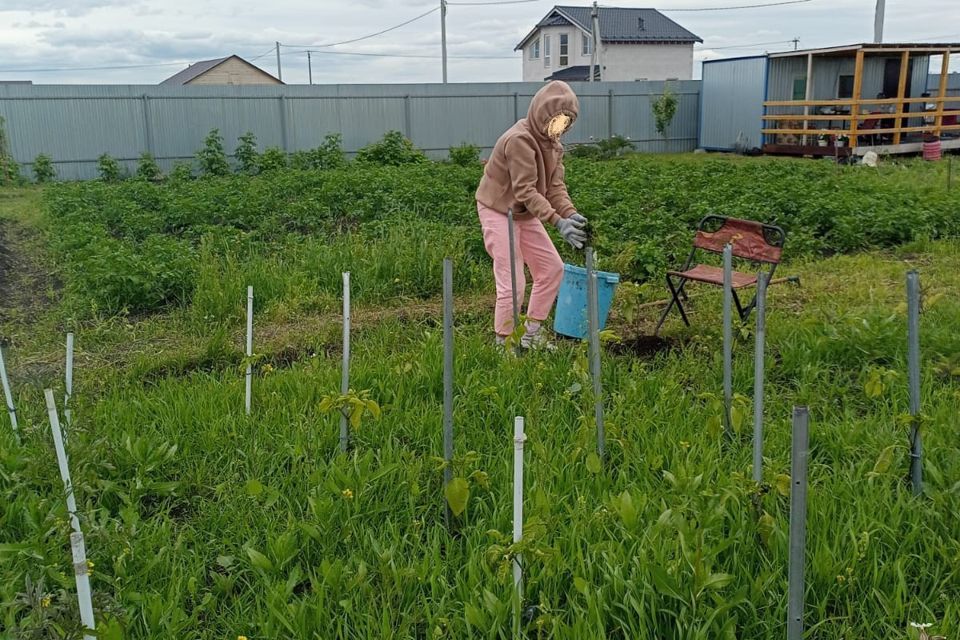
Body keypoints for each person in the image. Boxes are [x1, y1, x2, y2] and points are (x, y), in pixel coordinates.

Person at [475, 81, 588, 349]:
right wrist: (557, 221)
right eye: (555, 121)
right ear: (541, 113)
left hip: (523, 213)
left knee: (551, 268)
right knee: (513, 281)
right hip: (498, 210)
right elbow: (525, 190)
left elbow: (554, 187)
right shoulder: (519, 140)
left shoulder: (554, 145)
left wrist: (570, 214)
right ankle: (503, 343)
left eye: (565, 123)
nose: (558, 129)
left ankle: (530, 333)